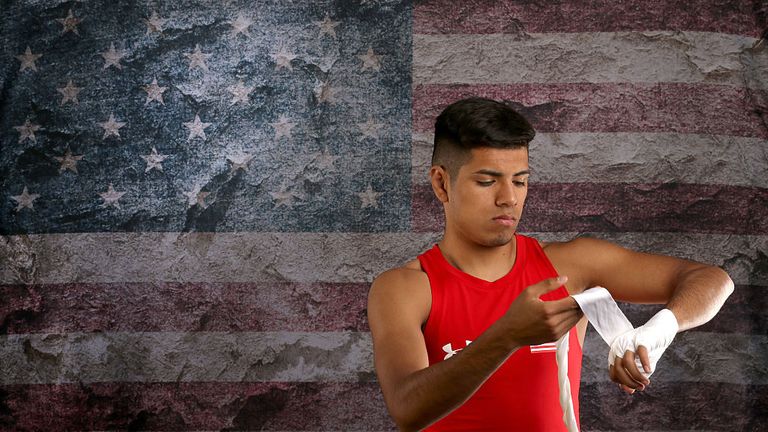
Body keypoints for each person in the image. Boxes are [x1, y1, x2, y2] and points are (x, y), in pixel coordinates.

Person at [367, 97, 734, 431]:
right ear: (441, 184)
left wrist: (655, 333)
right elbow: (407, 408)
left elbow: (712, 280)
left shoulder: (569, 265)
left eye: (520, 181)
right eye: (486, 181)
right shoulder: (405, 288)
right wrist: (507, 336)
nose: (508, 198)